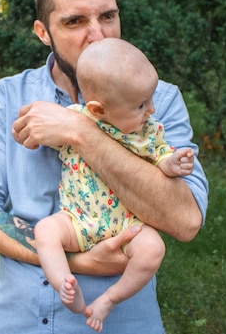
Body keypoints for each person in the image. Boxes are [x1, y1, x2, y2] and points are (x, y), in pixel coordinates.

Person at [0, 0, 208, 333]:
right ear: (43, 32)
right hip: (16, 321)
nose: (99, 35)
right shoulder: (9, 96)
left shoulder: (158, 101)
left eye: (108, 16)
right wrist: (80, 261)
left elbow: (185, 221)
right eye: (75, 22)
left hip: (119, 323)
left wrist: (81, 132)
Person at [35, 37, 195, 332]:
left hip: (128, 226)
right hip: (78, 220)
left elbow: (160, 154)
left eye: (150, 99)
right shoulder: (73, 118)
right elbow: (43, 132)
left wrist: (172, 163)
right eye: (140, 105)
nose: (151, 110)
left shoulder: (147, 130)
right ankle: (65, 284)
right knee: (46, 230)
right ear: (97, 110)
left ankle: (111, 297)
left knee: (153, 249)